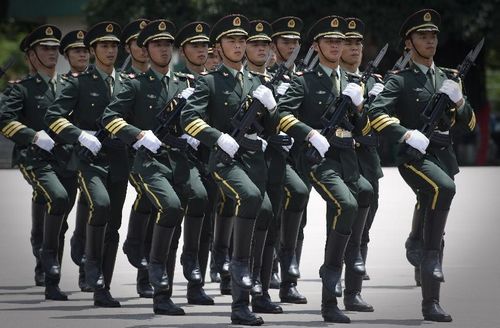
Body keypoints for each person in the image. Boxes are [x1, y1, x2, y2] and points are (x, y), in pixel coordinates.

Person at [368, 9, 476, 322]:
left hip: (443, 155)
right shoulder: (400, 79)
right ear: (409, 43)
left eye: (433, 36)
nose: (429, 41)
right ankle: (426, 253)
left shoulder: (448, 77)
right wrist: (405, 134)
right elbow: (376, 113)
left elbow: (467, 124)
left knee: (434, 220)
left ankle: (430, 301)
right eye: (422, 36)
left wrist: (459, 101)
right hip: (413, 158)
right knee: (443, 188)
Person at [101, 19, 206, 315]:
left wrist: (195, 132)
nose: (162, 49)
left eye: (166, 44)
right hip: (149, 163)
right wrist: (137, 134)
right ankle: (157, 272)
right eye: (156, 44)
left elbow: (203, 116)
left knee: (198, 197)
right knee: (170, 207)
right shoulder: (136, 84)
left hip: (181, 160)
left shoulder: (187, 84)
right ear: (146, 49)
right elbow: (110, 118)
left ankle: (188, 261)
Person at [181, 14, 278, 326]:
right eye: (231, 41)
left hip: (254, 162)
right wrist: (217, 137)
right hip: (223, 162)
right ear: (218, 48)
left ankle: (249, 289)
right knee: (249, 198)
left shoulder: (257, 82)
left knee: (264, 210)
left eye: (241, 40)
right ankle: (238, 295)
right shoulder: (209, 81)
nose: (238, 45)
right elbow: (189, 119)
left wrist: (273, 108)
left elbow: (270, 129)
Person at [277, 15, 374, 323]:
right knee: (345, 204)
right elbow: (281, 115)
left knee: (365, 194)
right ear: (317, 46)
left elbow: (366, 130)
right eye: (330, 41)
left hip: (348, 160)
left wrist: (360, 108)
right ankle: (330, 286)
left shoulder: (351, 82)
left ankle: (346, 262)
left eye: (340, 41)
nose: (336, 45)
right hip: (318, 160)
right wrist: (309, 133)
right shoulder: (304, 80)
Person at [45, 21, 126, 307]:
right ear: (92, 50)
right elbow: (53, 117)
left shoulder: (127, 82)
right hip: (90, 160)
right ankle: (91, 264)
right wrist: (80, 134)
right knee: (100, 204)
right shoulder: (79, 83)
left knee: (113, 225)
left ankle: (103, 286)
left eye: (114, 45)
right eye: (104, 45)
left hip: (119, 160)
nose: (110, 50)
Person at [1, 25, 74, 300]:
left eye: (55, 48)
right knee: (57, 196)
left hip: (65, 158)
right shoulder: (22, 89)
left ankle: (43, 250)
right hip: (34, 159)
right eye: (45, 48)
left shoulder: (69, 85)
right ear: (31, 55)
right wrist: (32, 137)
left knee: (61, 214)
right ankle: (49, 265)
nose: (52, 53)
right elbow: (4, 121)